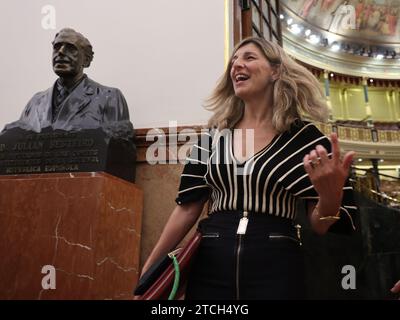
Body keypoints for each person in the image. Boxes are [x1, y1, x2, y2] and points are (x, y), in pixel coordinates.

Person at [140, 37, 357, 300]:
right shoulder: (213, 137)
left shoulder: (307, 140)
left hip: (276, 265)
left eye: (249, 58)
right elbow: (187, 208)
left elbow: (321, 226)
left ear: (275, 71)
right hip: (210, 262)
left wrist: (330, 198)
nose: (236, 65)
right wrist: (148, 274)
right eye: (234, 60)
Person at [4, 28, 130, 133]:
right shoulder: (35, 103)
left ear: (86, 60)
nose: (61, 52)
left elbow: (116, 149)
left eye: (70, 48)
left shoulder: (110, 98)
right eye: (57, 47)